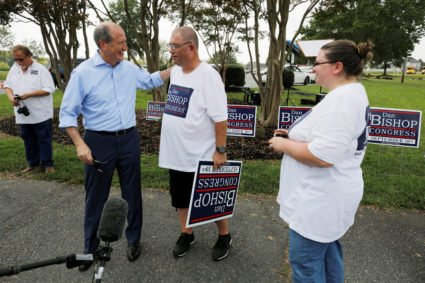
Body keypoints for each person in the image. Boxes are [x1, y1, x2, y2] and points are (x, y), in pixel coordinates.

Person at [59, 21, 172, 271]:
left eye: (125, 42)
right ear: (103, 45)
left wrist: (175, 67)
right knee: (96, 197)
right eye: (120, 42)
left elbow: (150, 80)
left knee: (132, 193)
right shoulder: (83, 73)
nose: (125, 47)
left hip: (129, 140)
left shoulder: (128, 68)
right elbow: (67, 115)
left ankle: (134, 240)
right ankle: (89, 250)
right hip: (98, 143)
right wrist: (80, 144)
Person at [268, 40, 374, 282]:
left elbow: (323, 156)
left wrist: (284, 145)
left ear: (337, 67)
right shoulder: (350, 92)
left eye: (317, 63)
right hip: (329, 197)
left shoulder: (342, 101)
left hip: (318, 202)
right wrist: (294, 136)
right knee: (327, 258)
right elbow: (332, 140)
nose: (312, 68)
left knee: (306, 266)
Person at [158, 26, 231, 261]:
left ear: (190, 48)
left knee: (211, 198)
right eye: (169, 45)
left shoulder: (208, 75)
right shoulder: (176, 72)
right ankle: (186, 233)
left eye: (174, 46)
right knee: (180, 197)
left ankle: (224, 236)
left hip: (200, 153)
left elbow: (220, 118)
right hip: (176, 152)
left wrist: (220, 151)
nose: (170, 51)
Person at [4, 45, 55, 174]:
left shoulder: (41, 69)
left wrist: (29, 95)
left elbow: (49, 89)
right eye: (16, 59)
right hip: (23, 114)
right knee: (28, 139)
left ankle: (48, 165)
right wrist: (11, 98)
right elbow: (7, 85)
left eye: (21, 59)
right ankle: (32, 163)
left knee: (44, 139)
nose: (18, 62)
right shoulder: (15, 69)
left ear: (29, 56)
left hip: (41, 113)